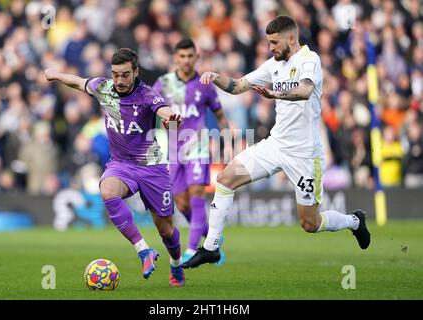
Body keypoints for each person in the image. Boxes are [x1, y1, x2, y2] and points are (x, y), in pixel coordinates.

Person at [182, 15, 371, 269]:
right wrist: (216, 77)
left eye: (274, 42)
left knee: (310, 224)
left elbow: (305, 91)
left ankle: (354, 221)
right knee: (226, 179)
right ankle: (211, 247)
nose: (270, 48)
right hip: (275, 145)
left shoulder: (309, 60)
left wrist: (275, 94)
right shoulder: (273, 65)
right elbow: (238, 86)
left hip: (305, 154)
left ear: (291, 39)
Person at [45, 48, 186, 286]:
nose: (119, 80)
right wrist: (56, 74)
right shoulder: (104, 87)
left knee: (166, 230)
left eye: (125, 75)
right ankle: (144, 251)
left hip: (152, 167)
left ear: (135, 72)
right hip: (121, 164)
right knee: (107, 191)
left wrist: (171, 117)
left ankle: (176, 265)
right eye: (115, 74)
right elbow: (79, 82)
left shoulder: (147, 95)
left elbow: (164, 109)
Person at [152, 38, 230, 264]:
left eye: (190, 56)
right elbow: (152, 112)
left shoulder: (205, 84)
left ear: (196, 57)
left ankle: (191, 249)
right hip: (173, 151)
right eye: (182, 56)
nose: (186, 60)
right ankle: (212, 240)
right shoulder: (163, 84)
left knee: (196, 198)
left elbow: (220, 117)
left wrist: (227, 144)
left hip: (198, 146)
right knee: (182, 203)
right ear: (175, 58)